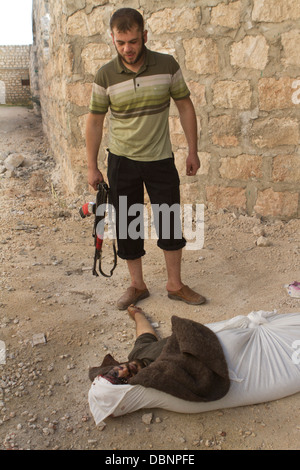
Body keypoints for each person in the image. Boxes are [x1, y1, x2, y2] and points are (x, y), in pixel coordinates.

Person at [86, 7, 206, 310]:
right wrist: (92, 166)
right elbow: (95, 121)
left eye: (134, 41)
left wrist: (193, 149)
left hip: (160, 158)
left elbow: (185, 106)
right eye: (121, 42)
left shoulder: (167, 65)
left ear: (145, 37)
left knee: (169, 219)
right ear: (113, 39)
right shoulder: (105, 75)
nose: (128, 49)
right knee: (127, 224)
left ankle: (175, 284)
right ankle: (137, 286)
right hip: (122, 160)